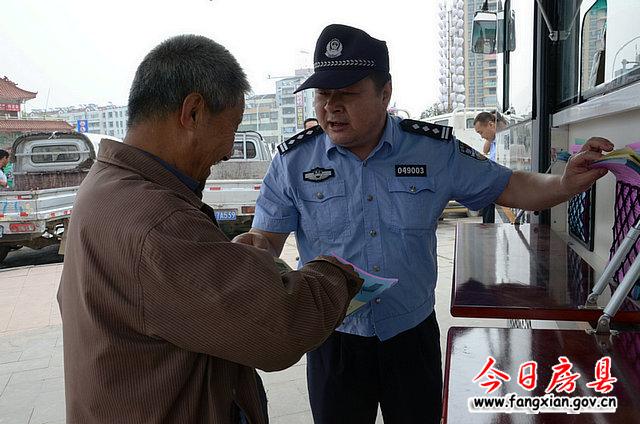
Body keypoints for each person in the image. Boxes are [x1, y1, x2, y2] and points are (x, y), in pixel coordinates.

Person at [233, 24, 613, 423]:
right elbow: (267, 238)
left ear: (385, 93)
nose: (331, 107)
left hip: (410, 337)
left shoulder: (433, 150)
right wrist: (255, 246)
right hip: (333, 339)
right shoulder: (293, 162)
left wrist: (565, 184)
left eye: (346, 93)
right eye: (323, 94)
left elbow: (511, 185)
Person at [57, 34, 364, 424]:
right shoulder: (160, 223)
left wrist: (235, 264)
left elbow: (171, 294)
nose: (228, 149)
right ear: (193, 113)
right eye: (232, 126)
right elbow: (280, 328)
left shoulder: (104, 186)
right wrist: (334, 273)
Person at [474, 111, 508, 223]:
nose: (481, 136)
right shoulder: (493, 141)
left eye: (481, 132)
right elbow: (485, 150)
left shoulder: (503, 142)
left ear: (491, 124)